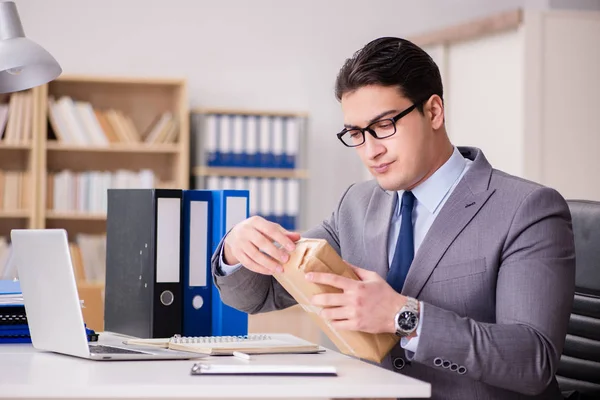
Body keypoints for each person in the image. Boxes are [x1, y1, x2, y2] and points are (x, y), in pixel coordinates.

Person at [210, 37, 576, 399]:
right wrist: (237, 248)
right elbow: (263, 296)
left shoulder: (527, 209)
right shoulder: (356, 204)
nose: (371, 150)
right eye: (356, 133)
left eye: (384, 125)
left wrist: (404, 316)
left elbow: (532, 361)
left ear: (433, 111)